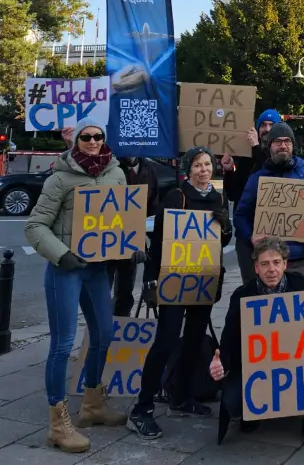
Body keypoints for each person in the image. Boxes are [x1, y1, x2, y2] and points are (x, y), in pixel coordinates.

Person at [25, 119, 127, 454]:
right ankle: (58, 423)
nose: (93, 141)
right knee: (63, 343)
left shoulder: (116, 174)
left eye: (98, 136)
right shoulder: (60, 178)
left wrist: (131, 244)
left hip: (97, 269)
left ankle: (93, 405)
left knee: (105, 334)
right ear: (76, 140)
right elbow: (35, 225)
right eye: (86, 136)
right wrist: (62, 255)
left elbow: (124, 218)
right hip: (66, 269)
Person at [127, 146, 232, 439]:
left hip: (204, 279)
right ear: (188, 169)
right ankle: (142, 408)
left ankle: (182, 396)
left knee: (194, 340)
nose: (204, 170)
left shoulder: (219, 196)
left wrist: (225, 227)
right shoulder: (177, 196)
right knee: (166, 340)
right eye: (198, 165)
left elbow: (221, 242)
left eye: (207, 165)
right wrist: (151, 278)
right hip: (175, 279)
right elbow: (160, 239)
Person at [210, 236, 304, 449]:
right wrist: (220, 363)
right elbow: (229, 341)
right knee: (232, 404)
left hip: (294, 365)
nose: (271, 269)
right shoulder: (242, 296)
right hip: (256, 368)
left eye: (276, 262)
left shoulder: (298, 286)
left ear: (285, 264)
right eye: (264, 264)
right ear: (255, 267)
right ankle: (256, 409)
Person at [234, 122, 304, 283]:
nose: (283, 146)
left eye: (287, 141)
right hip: (268, 261)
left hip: (298, 259)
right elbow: (240, 216)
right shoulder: (257, 179)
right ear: (270, 146)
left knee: (301, 306)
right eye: (277, 142)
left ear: (293, 145)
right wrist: (251, 236)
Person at [222, 108, 281, 284]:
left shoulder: (280, 157)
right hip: (246, 235)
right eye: (263, 125)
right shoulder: (245, 158)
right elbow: (234, 194)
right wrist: (229, 171)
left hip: (272, 234)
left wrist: (255, 147)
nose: (267, 129)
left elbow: (269, 173)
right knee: (250, 285)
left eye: (272, 125)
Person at [108, 155, 160, 316]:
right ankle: (98, 332)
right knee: (101, 290)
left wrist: (144, 241)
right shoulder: (109, 165)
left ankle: (119, 329)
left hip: (132, 239)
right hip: (107, 236)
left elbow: (152, 206)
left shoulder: (149, 167)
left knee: (124, 291)